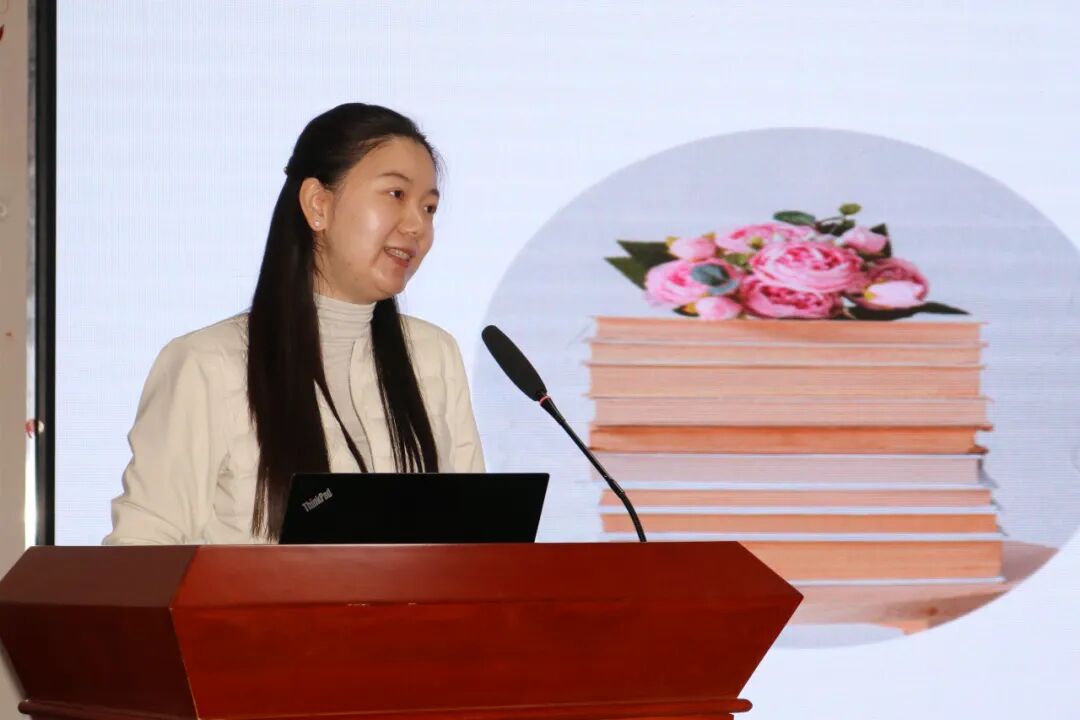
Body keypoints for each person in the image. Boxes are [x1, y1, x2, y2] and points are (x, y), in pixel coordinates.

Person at [104, 103, 485, 545]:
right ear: (318, 205)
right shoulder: (207, 364)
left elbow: (477, 544)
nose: (418, 225)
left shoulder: (434, 356)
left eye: (430, 207)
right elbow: (142, 550)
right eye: (396, 194)